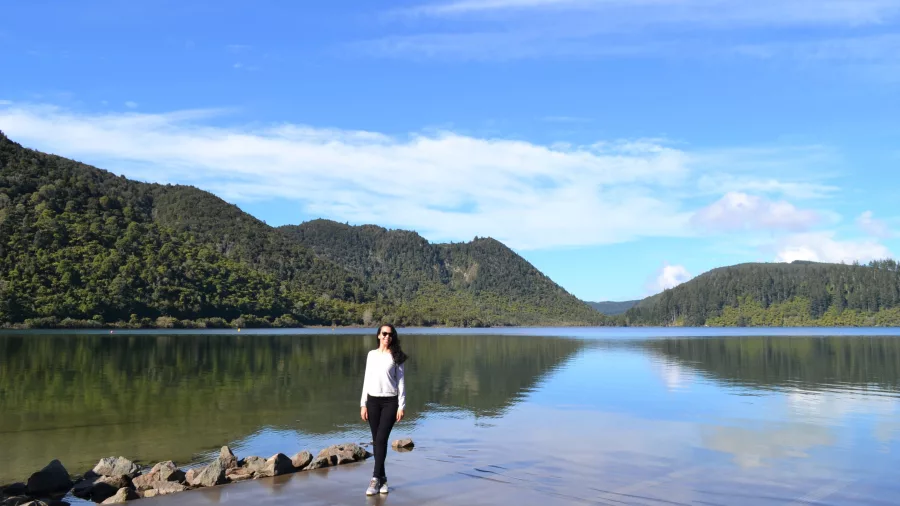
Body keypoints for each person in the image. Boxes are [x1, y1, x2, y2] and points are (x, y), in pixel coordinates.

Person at [360, 323, 408, 496]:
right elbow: (367, 379)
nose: (387, 337)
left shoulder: (397, 356)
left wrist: (401, 406)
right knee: (377, 441)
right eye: (384, 333)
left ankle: (374, 479)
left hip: (390, 402)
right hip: (372, 401)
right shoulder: (371, 355)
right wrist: (363, 404)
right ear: (378, 335)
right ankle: (384, 478)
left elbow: (401, 383)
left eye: (390, 334)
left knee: (380, 440)